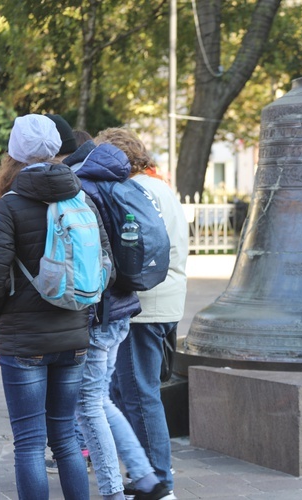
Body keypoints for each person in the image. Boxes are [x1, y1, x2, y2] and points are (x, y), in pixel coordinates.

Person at [0, 114, 111, 500]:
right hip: (74, 336)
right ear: (56, 149)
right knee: (66, 439)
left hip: (25, 342)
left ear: (13, 154)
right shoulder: (80, 196)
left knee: (31, 444)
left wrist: (2, 311)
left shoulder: (9, 205)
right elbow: (106, 267)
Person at [64, 138, 169, 500]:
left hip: (100, 311)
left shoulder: (83, 189)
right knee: (100, 400)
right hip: (124, 305)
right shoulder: (123, 184)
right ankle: (144, 477)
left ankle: (116, 489)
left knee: (89, 404)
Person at [97, 128, 188, 497]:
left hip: (142, 306)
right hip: (166, 301)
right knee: (132, 391)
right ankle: (146, 475)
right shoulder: (161, 187)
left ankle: (158, 484)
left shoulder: (131, 190)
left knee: (138, 394)